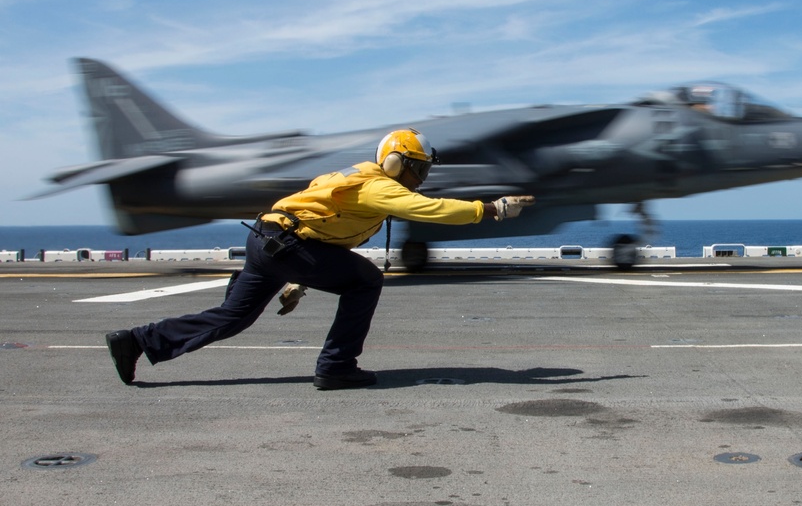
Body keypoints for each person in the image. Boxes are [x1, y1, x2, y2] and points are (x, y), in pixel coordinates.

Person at [106, 128, 535, 390]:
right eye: (417, 169)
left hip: (269, 241)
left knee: (232, 317)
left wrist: (298, 278)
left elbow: (325, 227)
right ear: (395, 162)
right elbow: (431, 211)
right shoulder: (377, 186)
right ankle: (336, 367)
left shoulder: (352, 179)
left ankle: (138, 340)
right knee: (366, 280)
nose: (419, 179)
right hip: (285, 245)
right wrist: (490, 209)